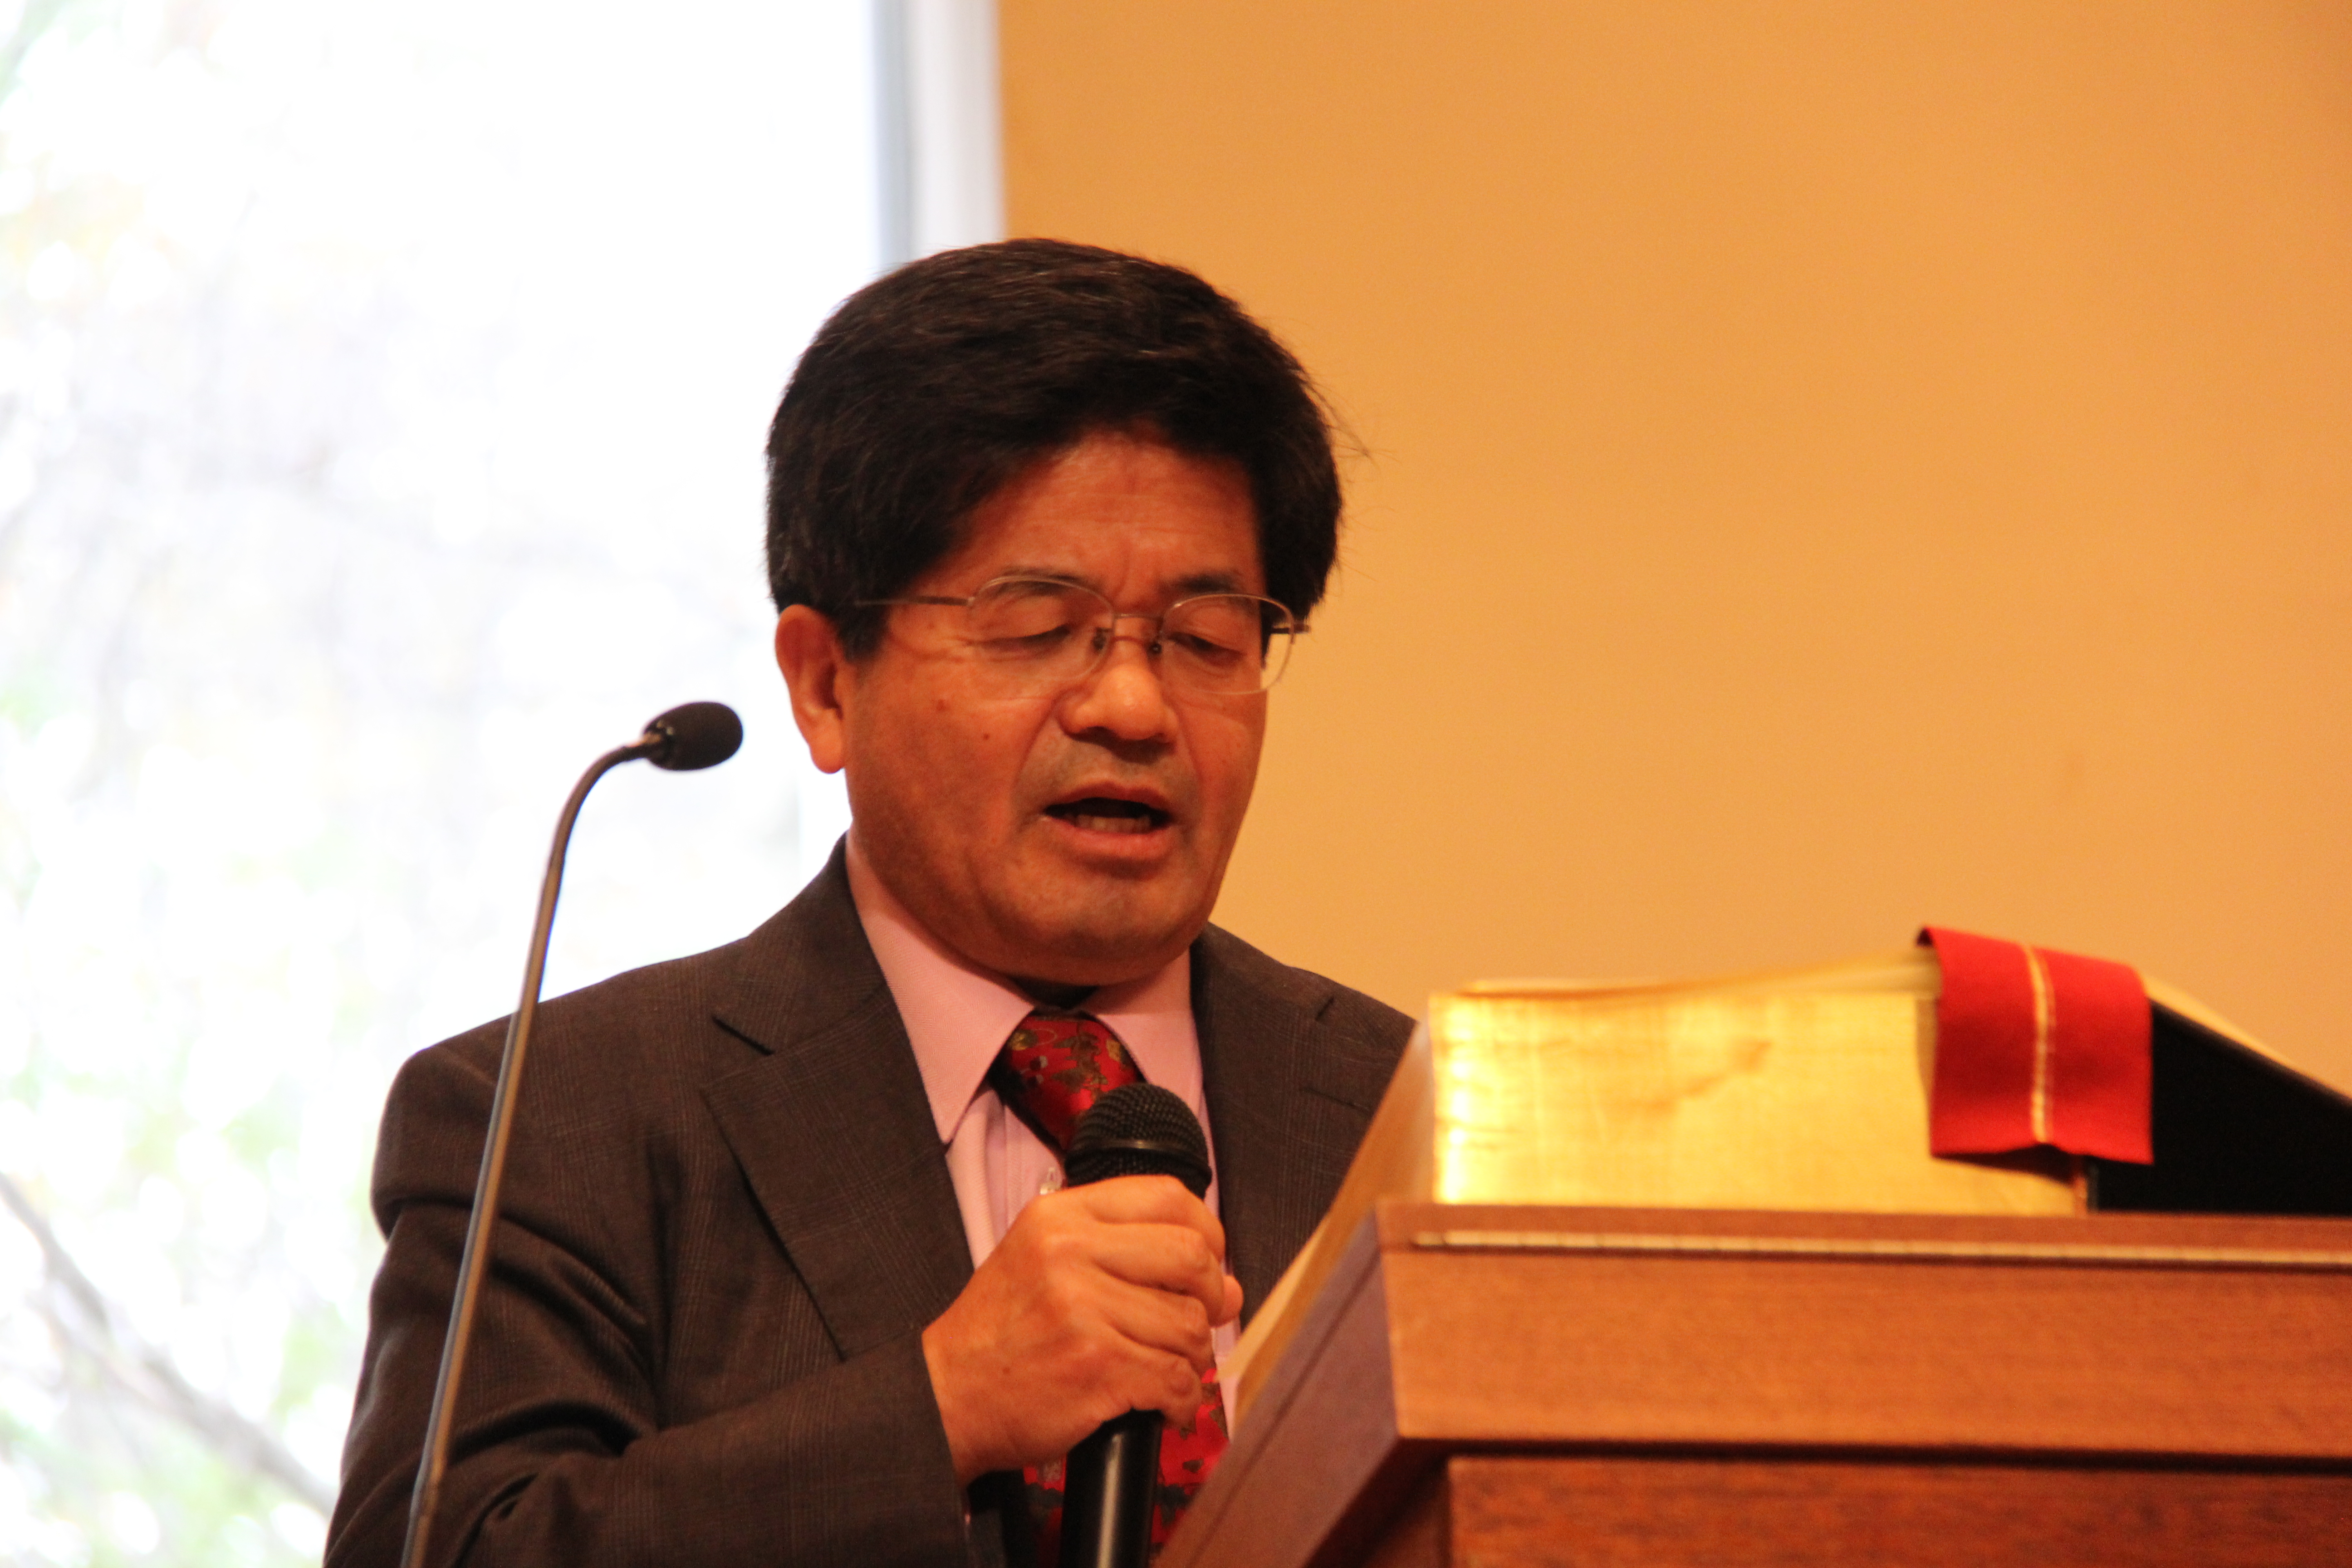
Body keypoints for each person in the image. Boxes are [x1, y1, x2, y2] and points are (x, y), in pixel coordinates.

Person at [325, 239, 1415, 1568]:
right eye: (1038, 626)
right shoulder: (556, 1123)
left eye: (1204, 637)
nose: (1133, 706)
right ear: (825, 682)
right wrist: (942, 1405)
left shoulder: (1406, 1115)